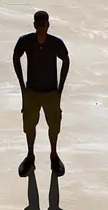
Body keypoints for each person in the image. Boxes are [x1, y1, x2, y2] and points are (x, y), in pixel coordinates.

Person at [13, 11, 70, 178]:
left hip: (51, 93)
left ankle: (53, 155)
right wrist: (22, 85)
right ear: (34, 25)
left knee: (54, 126)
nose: (41, 28)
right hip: (32, 92)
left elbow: (66, 60)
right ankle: (30, 156)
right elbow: (16, 56)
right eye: (39, 25)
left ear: (48, 25)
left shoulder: (55, 43)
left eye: (43, 25)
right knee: (29, 126)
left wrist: (60, 88)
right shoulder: (26, 41)